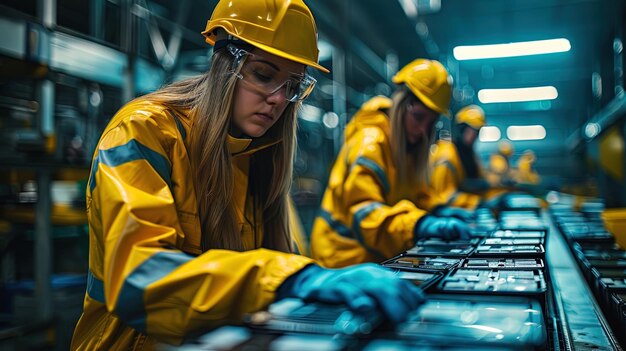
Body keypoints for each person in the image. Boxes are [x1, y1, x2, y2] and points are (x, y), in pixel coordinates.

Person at [70, 1, 425, 349]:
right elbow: (139, 281)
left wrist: (309, 278)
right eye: (264, 75)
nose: (278, 99)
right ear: (225, 61)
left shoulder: (258, 152)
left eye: (292, 86)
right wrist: (289, 279)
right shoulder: (142, 131)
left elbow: (275, 260)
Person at [310, 59, 471, 268]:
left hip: (375, 255)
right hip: (341, 258)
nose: (423, 129)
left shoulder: (408, 148)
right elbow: (366, 214)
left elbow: (418, 196)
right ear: (402, 104)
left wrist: (439, 210)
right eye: (419, 117)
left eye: (431, 122)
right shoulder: (370, 142)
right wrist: (419, 224)